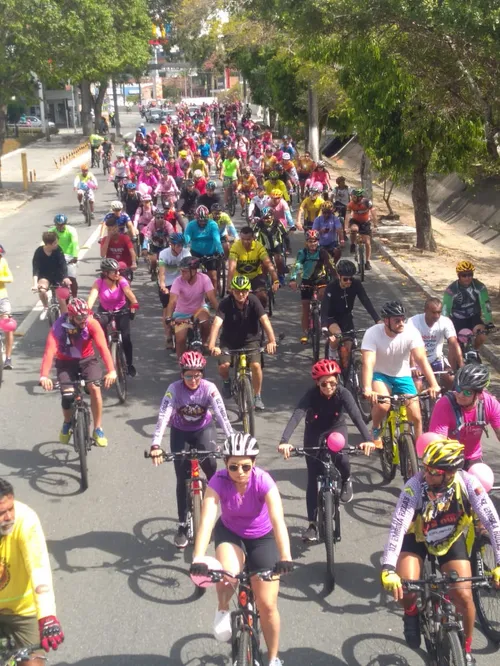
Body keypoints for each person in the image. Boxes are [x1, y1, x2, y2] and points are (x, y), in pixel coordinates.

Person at [380, 438, 500, 665]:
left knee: (464, 597)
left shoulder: (468, 483)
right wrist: (388, 567)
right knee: (406, 590)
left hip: (449, 538)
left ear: (450, 472)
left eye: (432, 471)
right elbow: (398, 526)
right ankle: (412, 612)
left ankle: (465, 649)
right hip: (416, 538)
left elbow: (493, 523)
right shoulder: (414, 486)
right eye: (425, 468)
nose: (425, 474)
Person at [190, 432, 293, 666]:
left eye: (246, 466)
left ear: (254, 463)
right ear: (225, 464)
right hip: (230, 533)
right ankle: (223, 607)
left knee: (267, 605)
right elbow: (206, 520)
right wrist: (198, 557)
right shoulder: (217, 481)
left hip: (262, 538)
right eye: (233, 466)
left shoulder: (264, 481)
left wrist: (285, 556)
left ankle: (273, 658)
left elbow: (278, 521)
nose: (240, 472)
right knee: (228, 575)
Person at [278, 360, 375, 539]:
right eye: (324, 384)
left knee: (342, 457)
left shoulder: (343, 394)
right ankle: (313, 525)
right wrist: (284, 441)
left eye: (332, 382)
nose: (328, 387)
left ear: (337, 380)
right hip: (314, 431)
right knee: (313, 478)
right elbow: (297, 415)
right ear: (317, 383)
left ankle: (346, 479)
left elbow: (356, 416)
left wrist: (368, 440)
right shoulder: (311, 395)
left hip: (336, 429)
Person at [149, 351, 233, 548]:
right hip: (180, 432)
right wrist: (155, 444)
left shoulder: (209, 388)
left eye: (197, 375)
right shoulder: (174, 389)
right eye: (188, 375)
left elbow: (221, 415)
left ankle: (218, 513)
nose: (193, 379)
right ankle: (183, 525)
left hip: (204, 430)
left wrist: (233, 440)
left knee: (211, 465)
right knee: (181, 477)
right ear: (181, 374)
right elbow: (163, 416)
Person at [0, 478, 64, 663]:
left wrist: (47, 616)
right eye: (2, 513)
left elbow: (39, 567)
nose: (9, 517)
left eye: (10, 509)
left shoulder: (25, 519)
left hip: (23, 611)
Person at [39, 298, 116, 447]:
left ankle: (98, 428)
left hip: (87, 360)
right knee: (67, 395)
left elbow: (103, 348)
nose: (84, 320)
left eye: (86, 316)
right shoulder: (59, 327)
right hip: (65, 363)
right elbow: (49, 351)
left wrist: (112, 371)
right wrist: (44, 375)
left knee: (95, 388)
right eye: (80, 318)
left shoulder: (91, 323)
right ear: (71, 316)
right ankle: (67, 423)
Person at [361, 300, 440, 443]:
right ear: (386, 321)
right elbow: (368, 361)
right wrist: (367, 388)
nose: (401, 323)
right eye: (397, 320)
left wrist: (434, 384)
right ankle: (376, 427)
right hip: (380, 375)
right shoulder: (372, 333)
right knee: (383, 404)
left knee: (416, 416)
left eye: (403, 319)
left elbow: (421, 359)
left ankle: (419, 454)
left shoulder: (411, 332)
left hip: (403, 375)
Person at [207, 275, 278, 411]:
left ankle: (257, 396)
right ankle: (227, 381)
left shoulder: (254, 301)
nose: (241, 294)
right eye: (237, 291)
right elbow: (216, 324)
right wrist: (212, 345)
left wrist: (272, 341)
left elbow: (265, 321)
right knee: (224, 366)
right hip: (229, 341)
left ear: (248, 291)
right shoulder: (225, 303)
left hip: (251, 340)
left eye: (244, 291)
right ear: (232, 291)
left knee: (256, 366)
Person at [429, 364, 500, 470]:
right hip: (447, 457)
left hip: (472, 457)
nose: (461, 395)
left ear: (479, 394)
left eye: (467, 392)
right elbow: (438, 443)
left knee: (479, 480)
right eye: (458, 389)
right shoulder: (444, 404)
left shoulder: (490, 403)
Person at [321, 259, 380, 368]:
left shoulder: (356, 284)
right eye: (345, 279)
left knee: (349, 348)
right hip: (332, 318)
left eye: (350, 279)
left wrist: (377, 319)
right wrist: (324, 326)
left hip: (346, 317)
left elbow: (365, 300)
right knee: (338, 336)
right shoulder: (331, 287)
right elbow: (324, 307)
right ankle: (332, 354)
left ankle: (349, 373)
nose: (348, 281)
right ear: (339, 276)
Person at [87, 258, 139, 377]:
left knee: (126, 338)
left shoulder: (121, 281)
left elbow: (128, 292)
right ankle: (105, 351)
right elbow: (92, 297)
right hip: (105, 311)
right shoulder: (99, 283)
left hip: (122, 310)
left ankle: (129, 364)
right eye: (114, 271)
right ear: (106, 273)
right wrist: (87, 310)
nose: (118, 273)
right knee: (100, 331)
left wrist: (134, 303)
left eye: (118, 271)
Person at [164, 256, 219, 357]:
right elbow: (172, 302)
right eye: (181, 271)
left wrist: (220, 314)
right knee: (180, 339)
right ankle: (182, 363)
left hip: (200, 310)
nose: (182, 273)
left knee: (206, 323)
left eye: (185, 271)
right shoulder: (177, 281)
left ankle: (203, 343)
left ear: (194, 271)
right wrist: (168, 317)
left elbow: (212, 298)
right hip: (181, 313)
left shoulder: (204, 279)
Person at [289, 230, 337, 344]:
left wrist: (338, 278)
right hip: (307, 281)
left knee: (323, 297)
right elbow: (297, 265)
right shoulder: (303, 253)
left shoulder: (323, 252)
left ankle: (324, 323)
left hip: (321, 280)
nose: (312, 244)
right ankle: (305, 332)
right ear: (306, 242)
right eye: (310, 241)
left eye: (314, 241)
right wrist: (293, 279)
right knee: (305, 306)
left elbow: (331, 265)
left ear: (318, 241)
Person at [408, 297, 462, 391]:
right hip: (417, 361)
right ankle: (421, 404)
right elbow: (409, 346)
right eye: (433, 312)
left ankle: (445, 401)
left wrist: (461, 364)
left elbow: (453, 343)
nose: (437, 315)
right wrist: (412, 366)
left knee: (451, 379)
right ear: (425, 310)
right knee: (417, 385)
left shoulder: (445, 322)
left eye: (439, 312)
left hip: (436, 359)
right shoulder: (413, 322)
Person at [442, 260, 494, 351]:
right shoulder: (451, 290)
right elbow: (445, 309)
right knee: (455, 347)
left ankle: (474, 351)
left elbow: (486, 304)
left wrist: (489, 320)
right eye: (464, 275)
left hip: (474, 317)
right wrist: (444, 323)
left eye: (470, 274)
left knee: (482, 335)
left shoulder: (479, 286)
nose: (467, 278)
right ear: (459, 276)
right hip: (457, 319)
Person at [227, 226, 279, 310]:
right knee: (234, 301)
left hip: (256, 276)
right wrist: (228, 285)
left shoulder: (259, 247)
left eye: (248, 239)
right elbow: (232, 268)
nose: (245, 242)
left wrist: (276, 280)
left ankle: (260, 317)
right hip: (240, 277)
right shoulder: (235, 247)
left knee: (262, 297)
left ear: (253, 238)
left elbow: (269, 265)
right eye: (243, 239)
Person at [158, 233, 191, 348]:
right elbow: (161, 273)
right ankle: (167, 335)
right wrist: (162, 285)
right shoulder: (164, 254)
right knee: (167, 308)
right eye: (177, 245)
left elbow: (191, 270)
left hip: (181, 282)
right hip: (167, 282)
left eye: (182, 245)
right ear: (171, 244)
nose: (180, 248)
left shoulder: (186, 253)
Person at [32, 231, 72, 318]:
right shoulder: (39, 252)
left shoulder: (58, 250)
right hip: (45, 276)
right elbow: (35, 269)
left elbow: (63, 264)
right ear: (48, 244)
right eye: (55, 243)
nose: (57, 244)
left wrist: (65, 277)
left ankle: (65, 319)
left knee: (61, 300)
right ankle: (46, 307)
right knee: (42, 290)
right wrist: (35, 284)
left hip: (58, 276)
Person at [184, 205, 224, 290]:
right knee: (191, 274)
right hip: (195, 253)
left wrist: (221, 250)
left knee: (213, 277)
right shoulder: (191, 225)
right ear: (196, 218)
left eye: (204, 221)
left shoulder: (213, 224)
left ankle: (213, 296)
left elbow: (217, 239)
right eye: (200, 221)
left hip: (211, 253)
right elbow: (186, 238)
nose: (202, 223)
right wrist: (183, 249)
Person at [345, 188, 378, 270]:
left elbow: (373, 213)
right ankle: (352, 243)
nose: (352, 198)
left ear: (360, 197)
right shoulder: (350, 204)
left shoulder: (367, 202)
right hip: (355, 221)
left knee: (367, 242)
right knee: (354, 229)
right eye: (352, 196)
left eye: (354, 197)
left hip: (365, 223)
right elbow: (347, 216)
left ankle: (367, 262)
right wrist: (346, 227)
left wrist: (375, 225)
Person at [49, 214, 79, 298]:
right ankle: (54, 296)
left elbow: (75, 243)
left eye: (62, 225)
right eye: (58, 225)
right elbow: (45, 243)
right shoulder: (52, 231)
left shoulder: (71, 230)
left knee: (72, 278)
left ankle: (75, 297)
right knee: (52, 277)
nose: (60, 227)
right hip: (56, 256)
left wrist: (75, 256)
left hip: (69, 256)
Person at [252, 208, 287, 279]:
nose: (265, 220)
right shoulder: (259, 223)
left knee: (279, 260)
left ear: (273, 217)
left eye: (267, 218)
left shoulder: (277, 223)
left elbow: (285, 235)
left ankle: (280, 275)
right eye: (264, 218)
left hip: (276, 245)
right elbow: (253, 236)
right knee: (264, 265)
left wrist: (288, 248)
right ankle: (264, 279)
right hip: (264, 246)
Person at [0, 244, 14, 370]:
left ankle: (8, 358)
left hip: (2, 298)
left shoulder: (3, 262)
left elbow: (10, 277)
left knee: (8, 326)